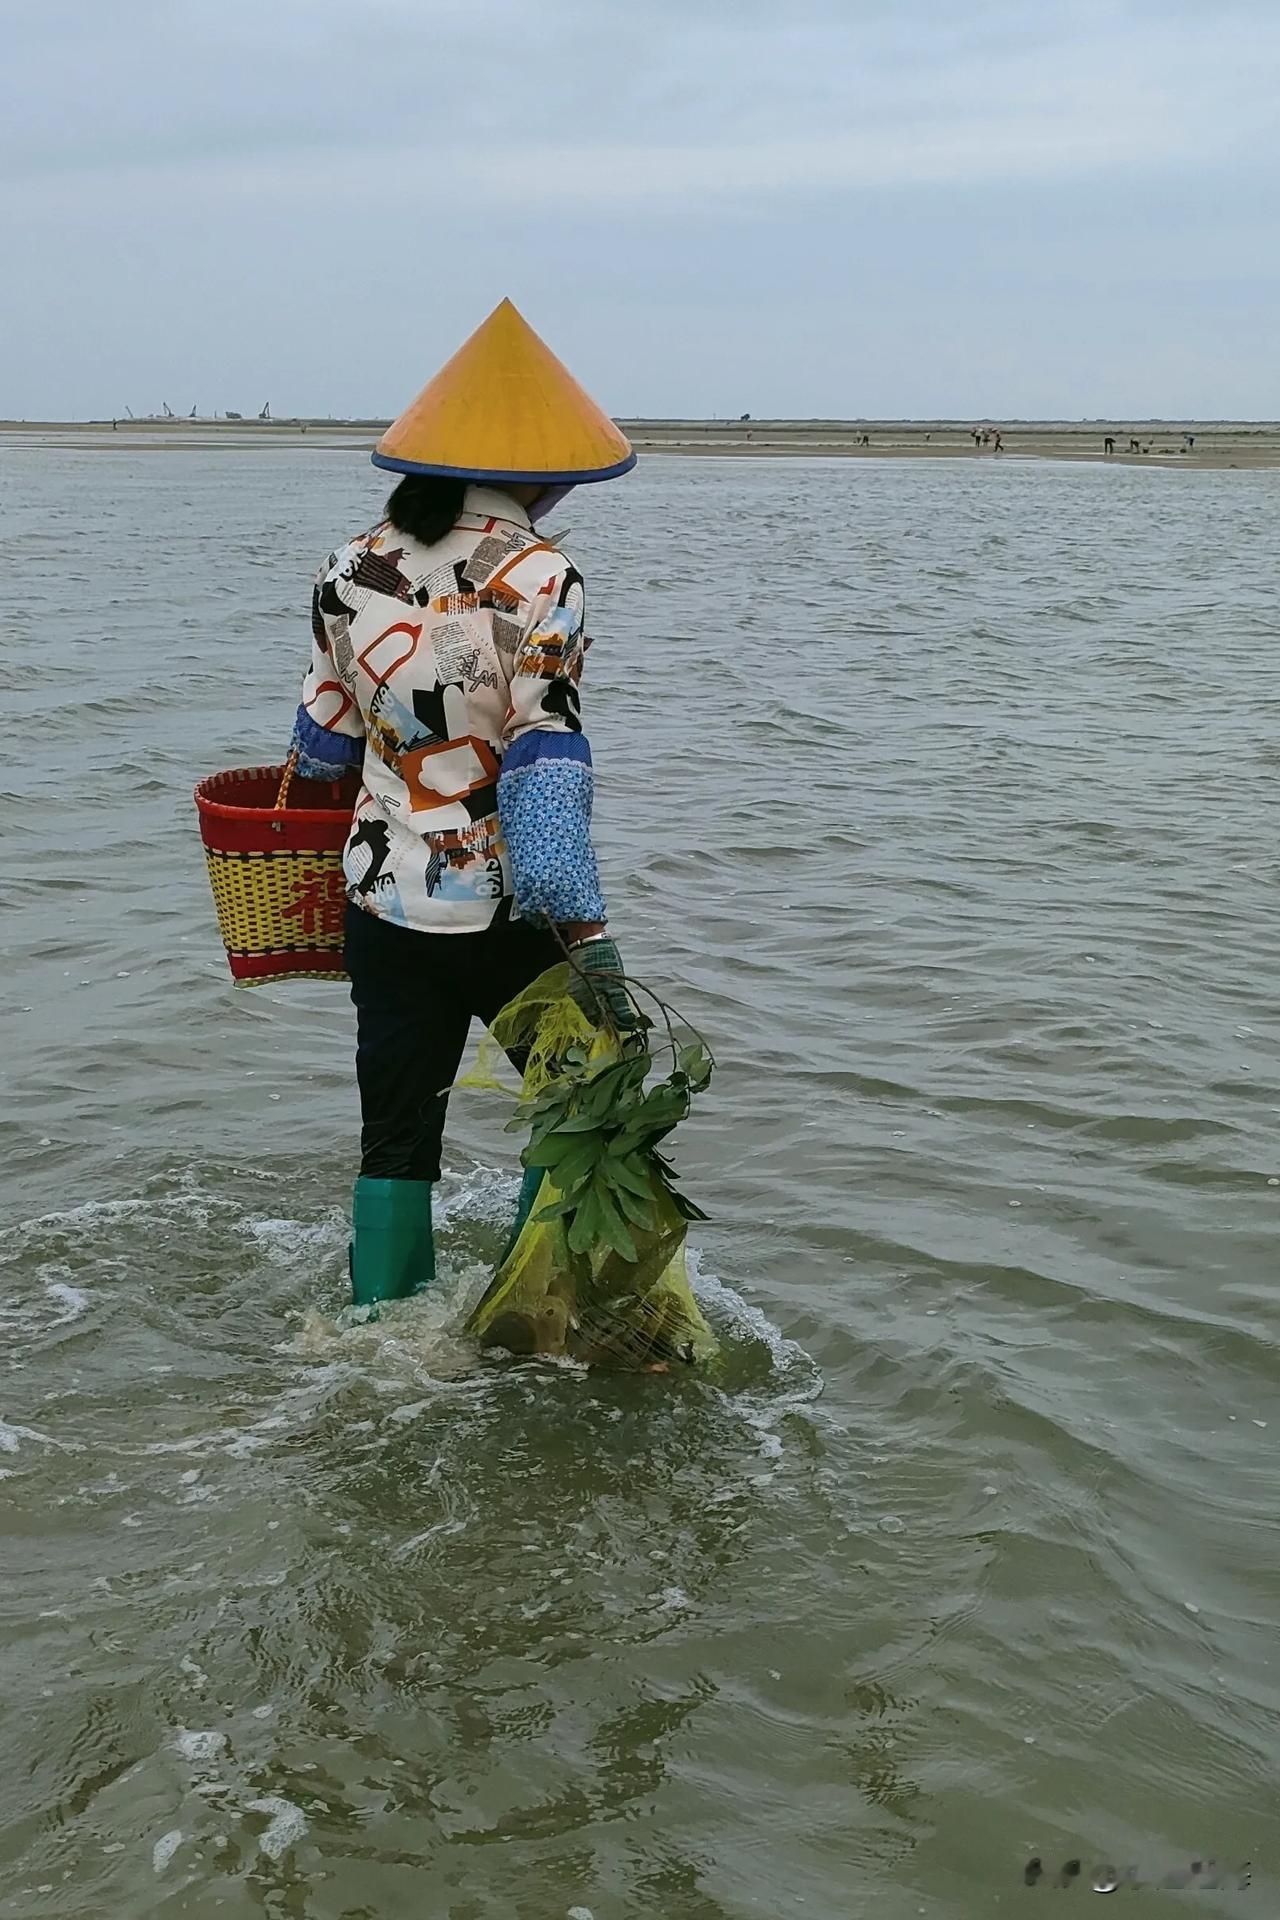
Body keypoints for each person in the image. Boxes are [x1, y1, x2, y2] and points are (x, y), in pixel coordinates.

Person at [288, 299, 639, 1306]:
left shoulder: (347, 567)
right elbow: (543, 763)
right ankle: (531, 1311)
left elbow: (318, 746)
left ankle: (380, 1331)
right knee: (583, 1105)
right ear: (542, 472)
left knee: (395, 1134)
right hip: (512, 916)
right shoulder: (544, 575)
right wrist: (588, 936)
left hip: (385, 907)